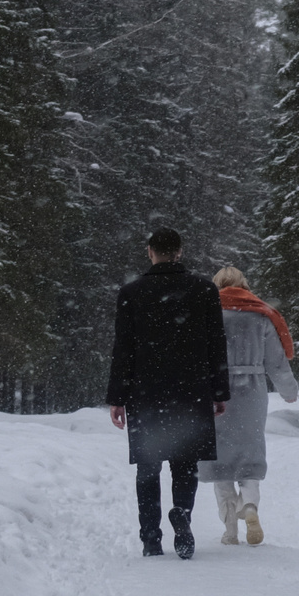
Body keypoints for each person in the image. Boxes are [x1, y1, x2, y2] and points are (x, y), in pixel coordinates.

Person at [107, 227, 229, 558]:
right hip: (191, 388)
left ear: (150, 251)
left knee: (148, 467)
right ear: (179, 251)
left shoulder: (132, 292)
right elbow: (216, 345)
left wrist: (117, 397)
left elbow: (124, 349)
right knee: (185, 463)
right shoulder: (204, 290)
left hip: (145, 391)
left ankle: (150, 537)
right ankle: (183, 518)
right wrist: (219, 391)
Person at [202, 267, 299, 544]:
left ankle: (230, 528)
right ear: (244, 285)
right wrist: (289, 390)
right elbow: (277, 361)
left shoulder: (209, 314)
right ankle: (250, 504)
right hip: (252, 390)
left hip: (216, 391)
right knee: (249, 451)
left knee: (219, 457)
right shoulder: (261, 315)